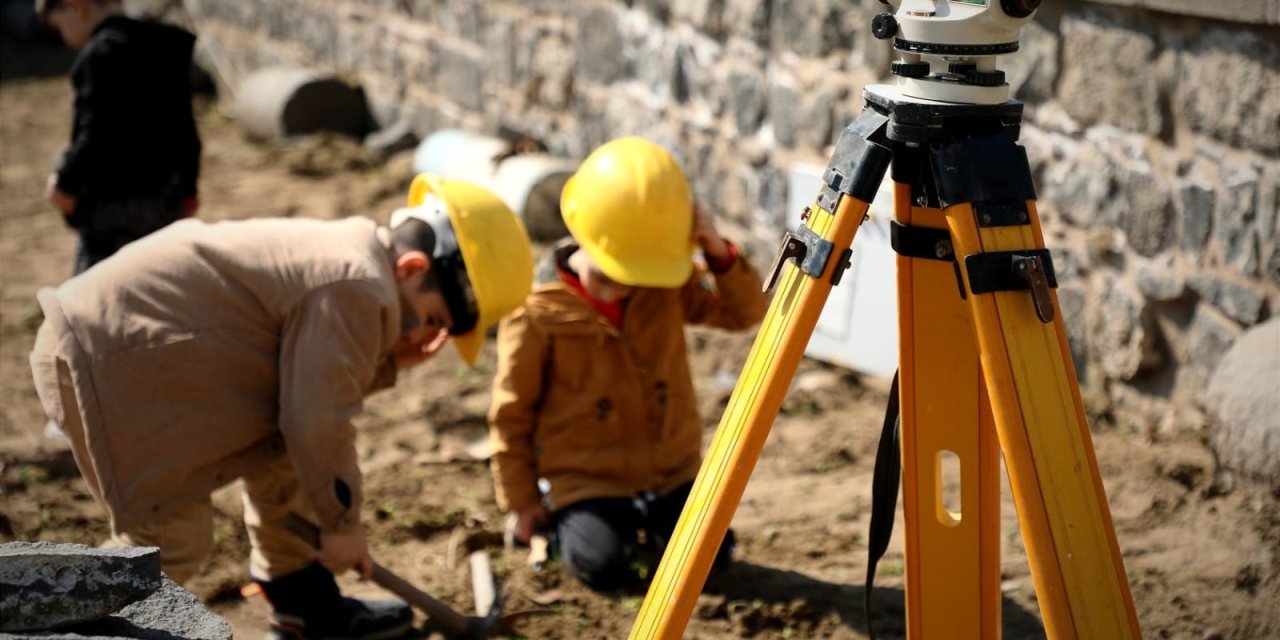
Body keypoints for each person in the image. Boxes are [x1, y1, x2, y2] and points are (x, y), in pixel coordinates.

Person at [28, 175, 534, 640]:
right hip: (106, 360)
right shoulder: (359, 285)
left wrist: (385, 364)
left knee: (285, 464)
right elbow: (317, 420)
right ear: (413, 268)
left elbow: (310, 393)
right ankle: (50, 622)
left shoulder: (353, 257)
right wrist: (341, 526)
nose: (425, 337)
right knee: (169, 539)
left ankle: (304, 603)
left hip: (126, 349)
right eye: (432, 319)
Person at [487, 137, 769, 591]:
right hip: (587, 478)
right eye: (608, 275)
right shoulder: (536, 315)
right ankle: (573, 525)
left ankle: (654, 523)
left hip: (669, 469)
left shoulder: (662, 282)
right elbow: (511, 415)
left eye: (633, 277)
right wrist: (521, 505)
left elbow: (747, 313)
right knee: (602, 566)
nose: (621, 289)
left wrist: (716, 250)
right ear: (582, 234)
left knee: (713, 558)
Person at [37, 0, 202, 274]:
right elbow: (186, 129)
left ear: (78, 8)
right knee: (160, 282)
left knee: (97, 294)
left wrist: (64, 181)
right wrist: (189, 189)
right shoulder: (167, 46)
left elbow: (94, 135)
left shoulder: (100, 54)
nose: (63, 37)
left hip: (111, 208)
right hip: (165, 201)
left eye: (59, 26)